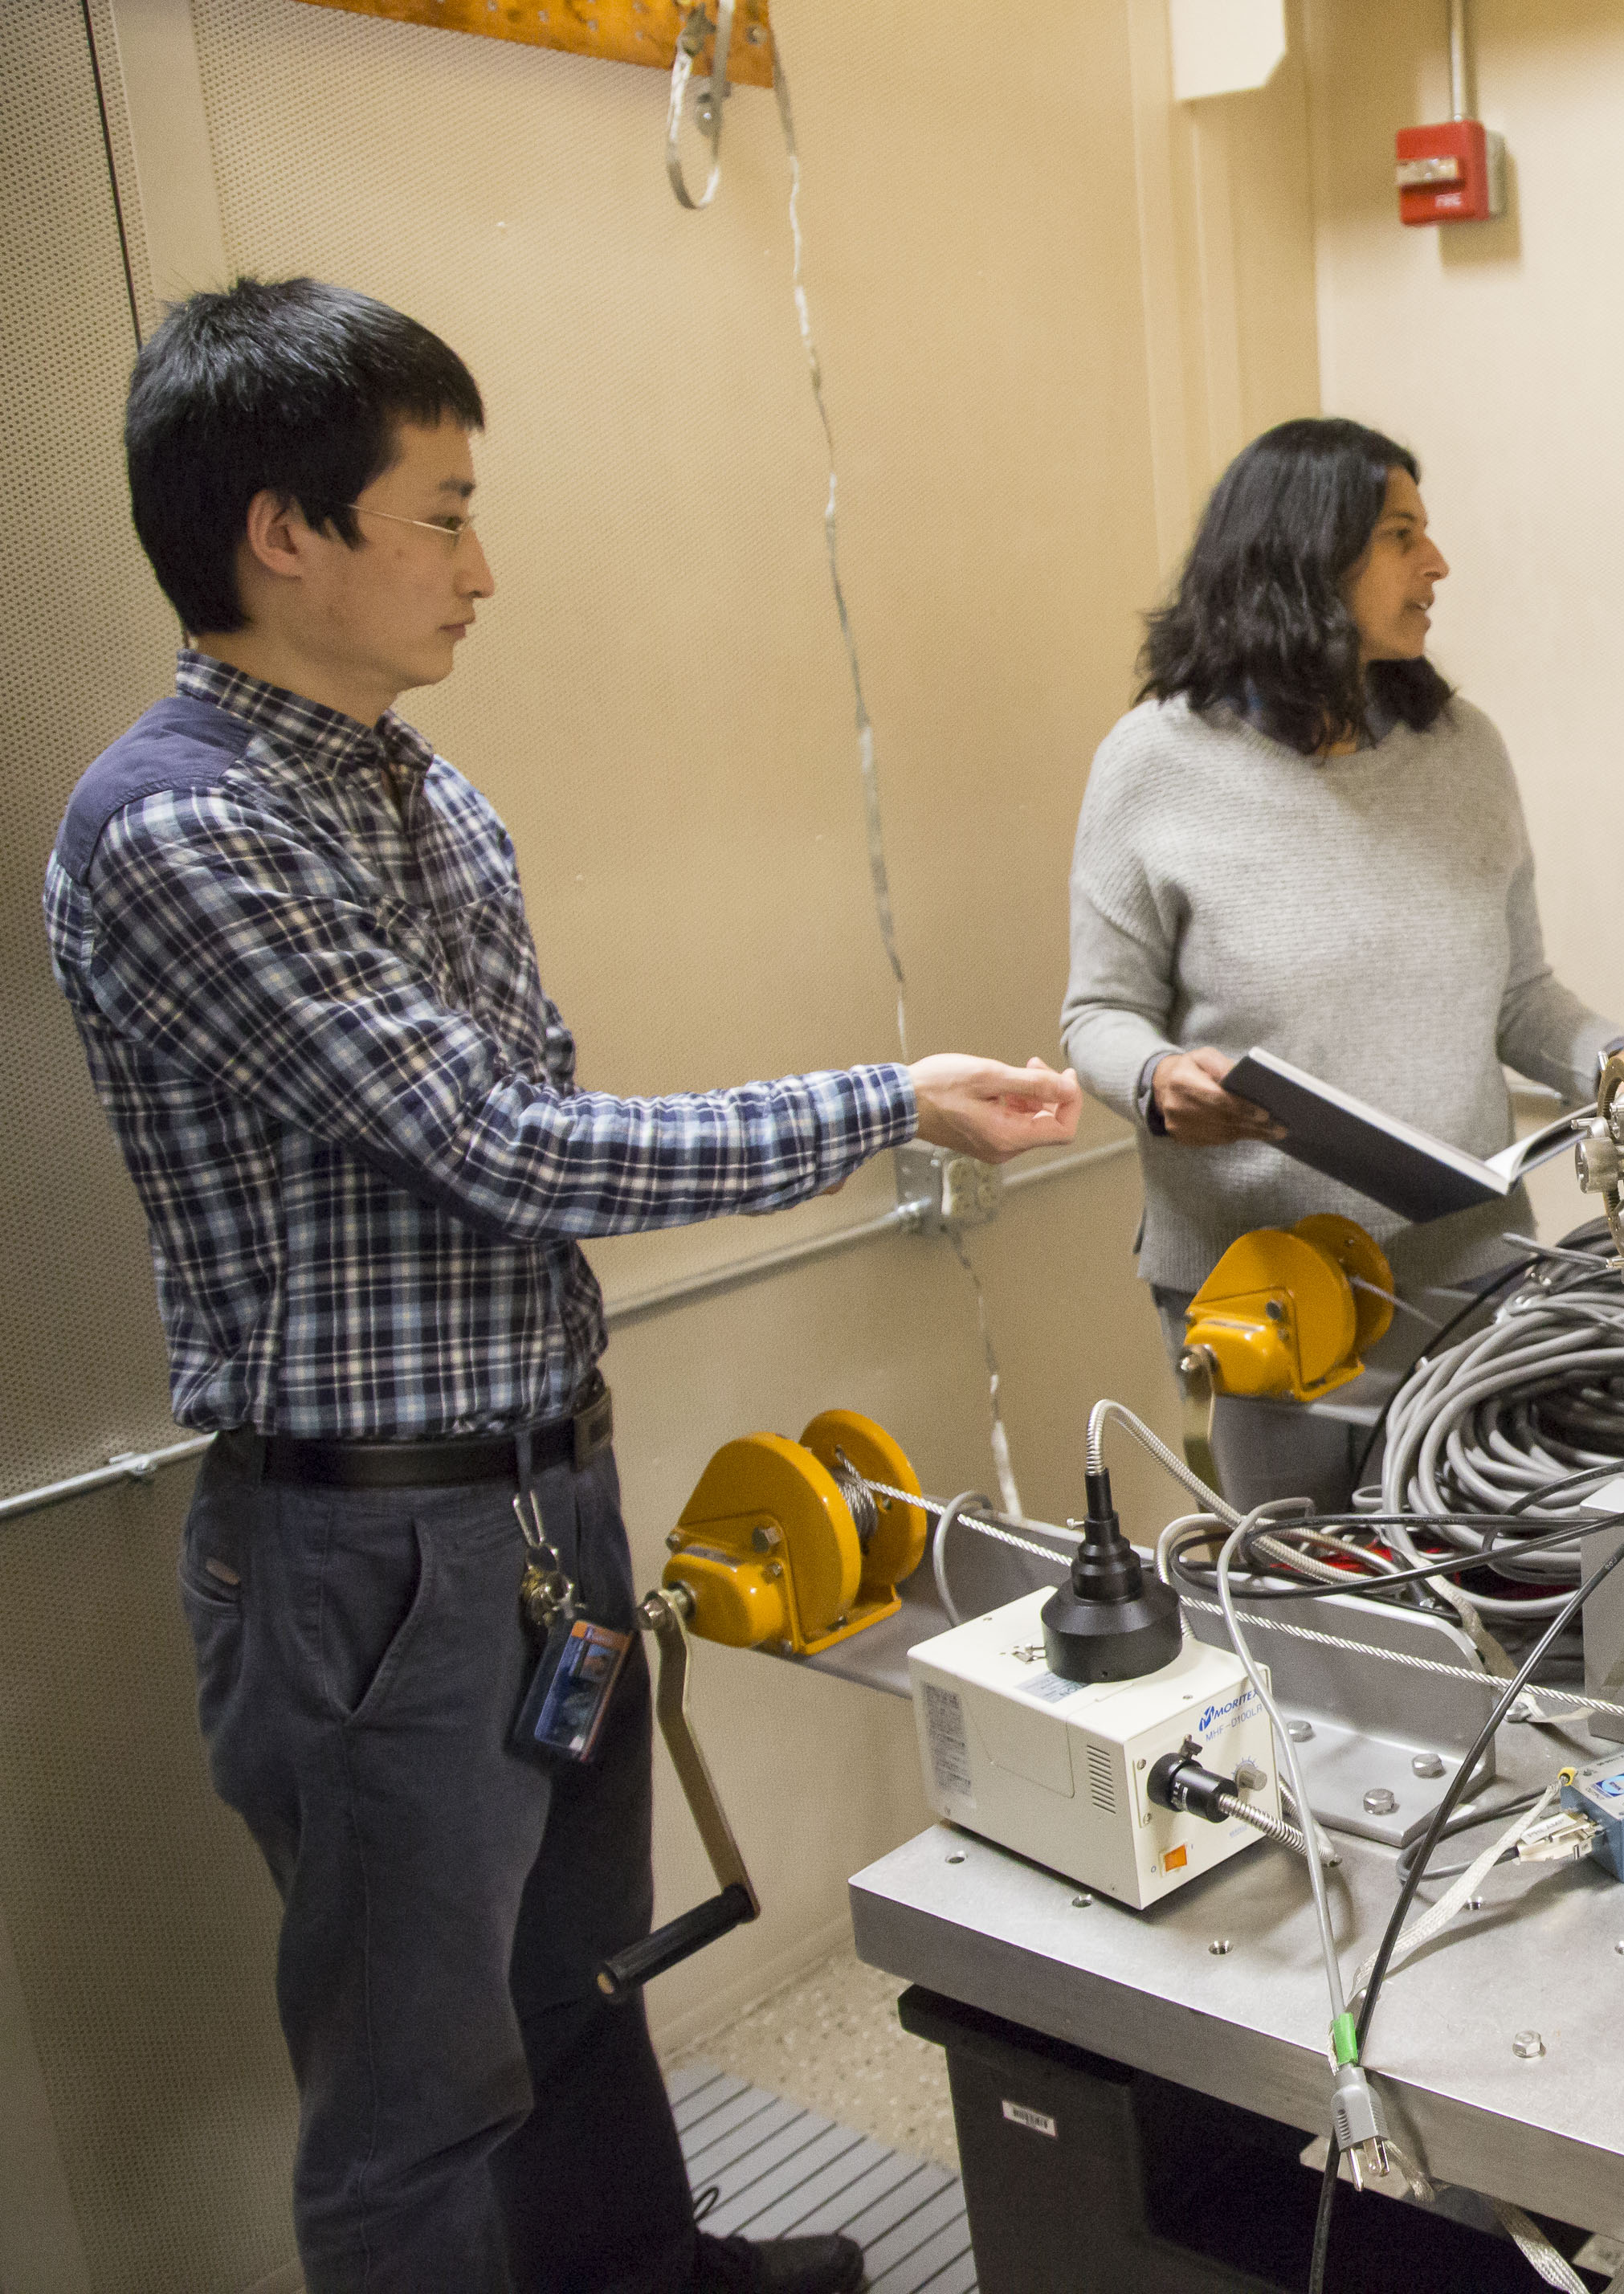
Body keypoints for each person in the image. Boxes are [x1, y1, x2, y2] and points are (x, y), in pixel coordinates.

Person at [44, 278, 1078, 2294]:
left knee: (582, 1985)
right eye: (439, 516)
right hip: (365, 1557)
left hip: (538, 1498)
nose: (482, 568)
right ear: (284, 532)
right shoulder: (175, 827)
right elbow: (504, 1146)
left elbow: (532, 1129)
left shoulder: (427, 795)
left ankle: (643, 2279)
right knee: (418, 2092)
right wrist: (887, 1102)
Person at [1061, 418, 1624, 1471]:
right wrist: (1158, 1081)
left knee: (1485, 1586)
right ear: (1305, 555)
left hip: (1471, 1274)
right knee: (1299, 1603)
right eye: (1401, 534)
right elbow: (1098, 1016)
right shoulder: (1151, 761)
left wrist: (1615, 1060)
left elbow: (1518, 995)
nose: (1438, 564)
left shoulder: (1464, 750)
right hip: (1264, 1288)